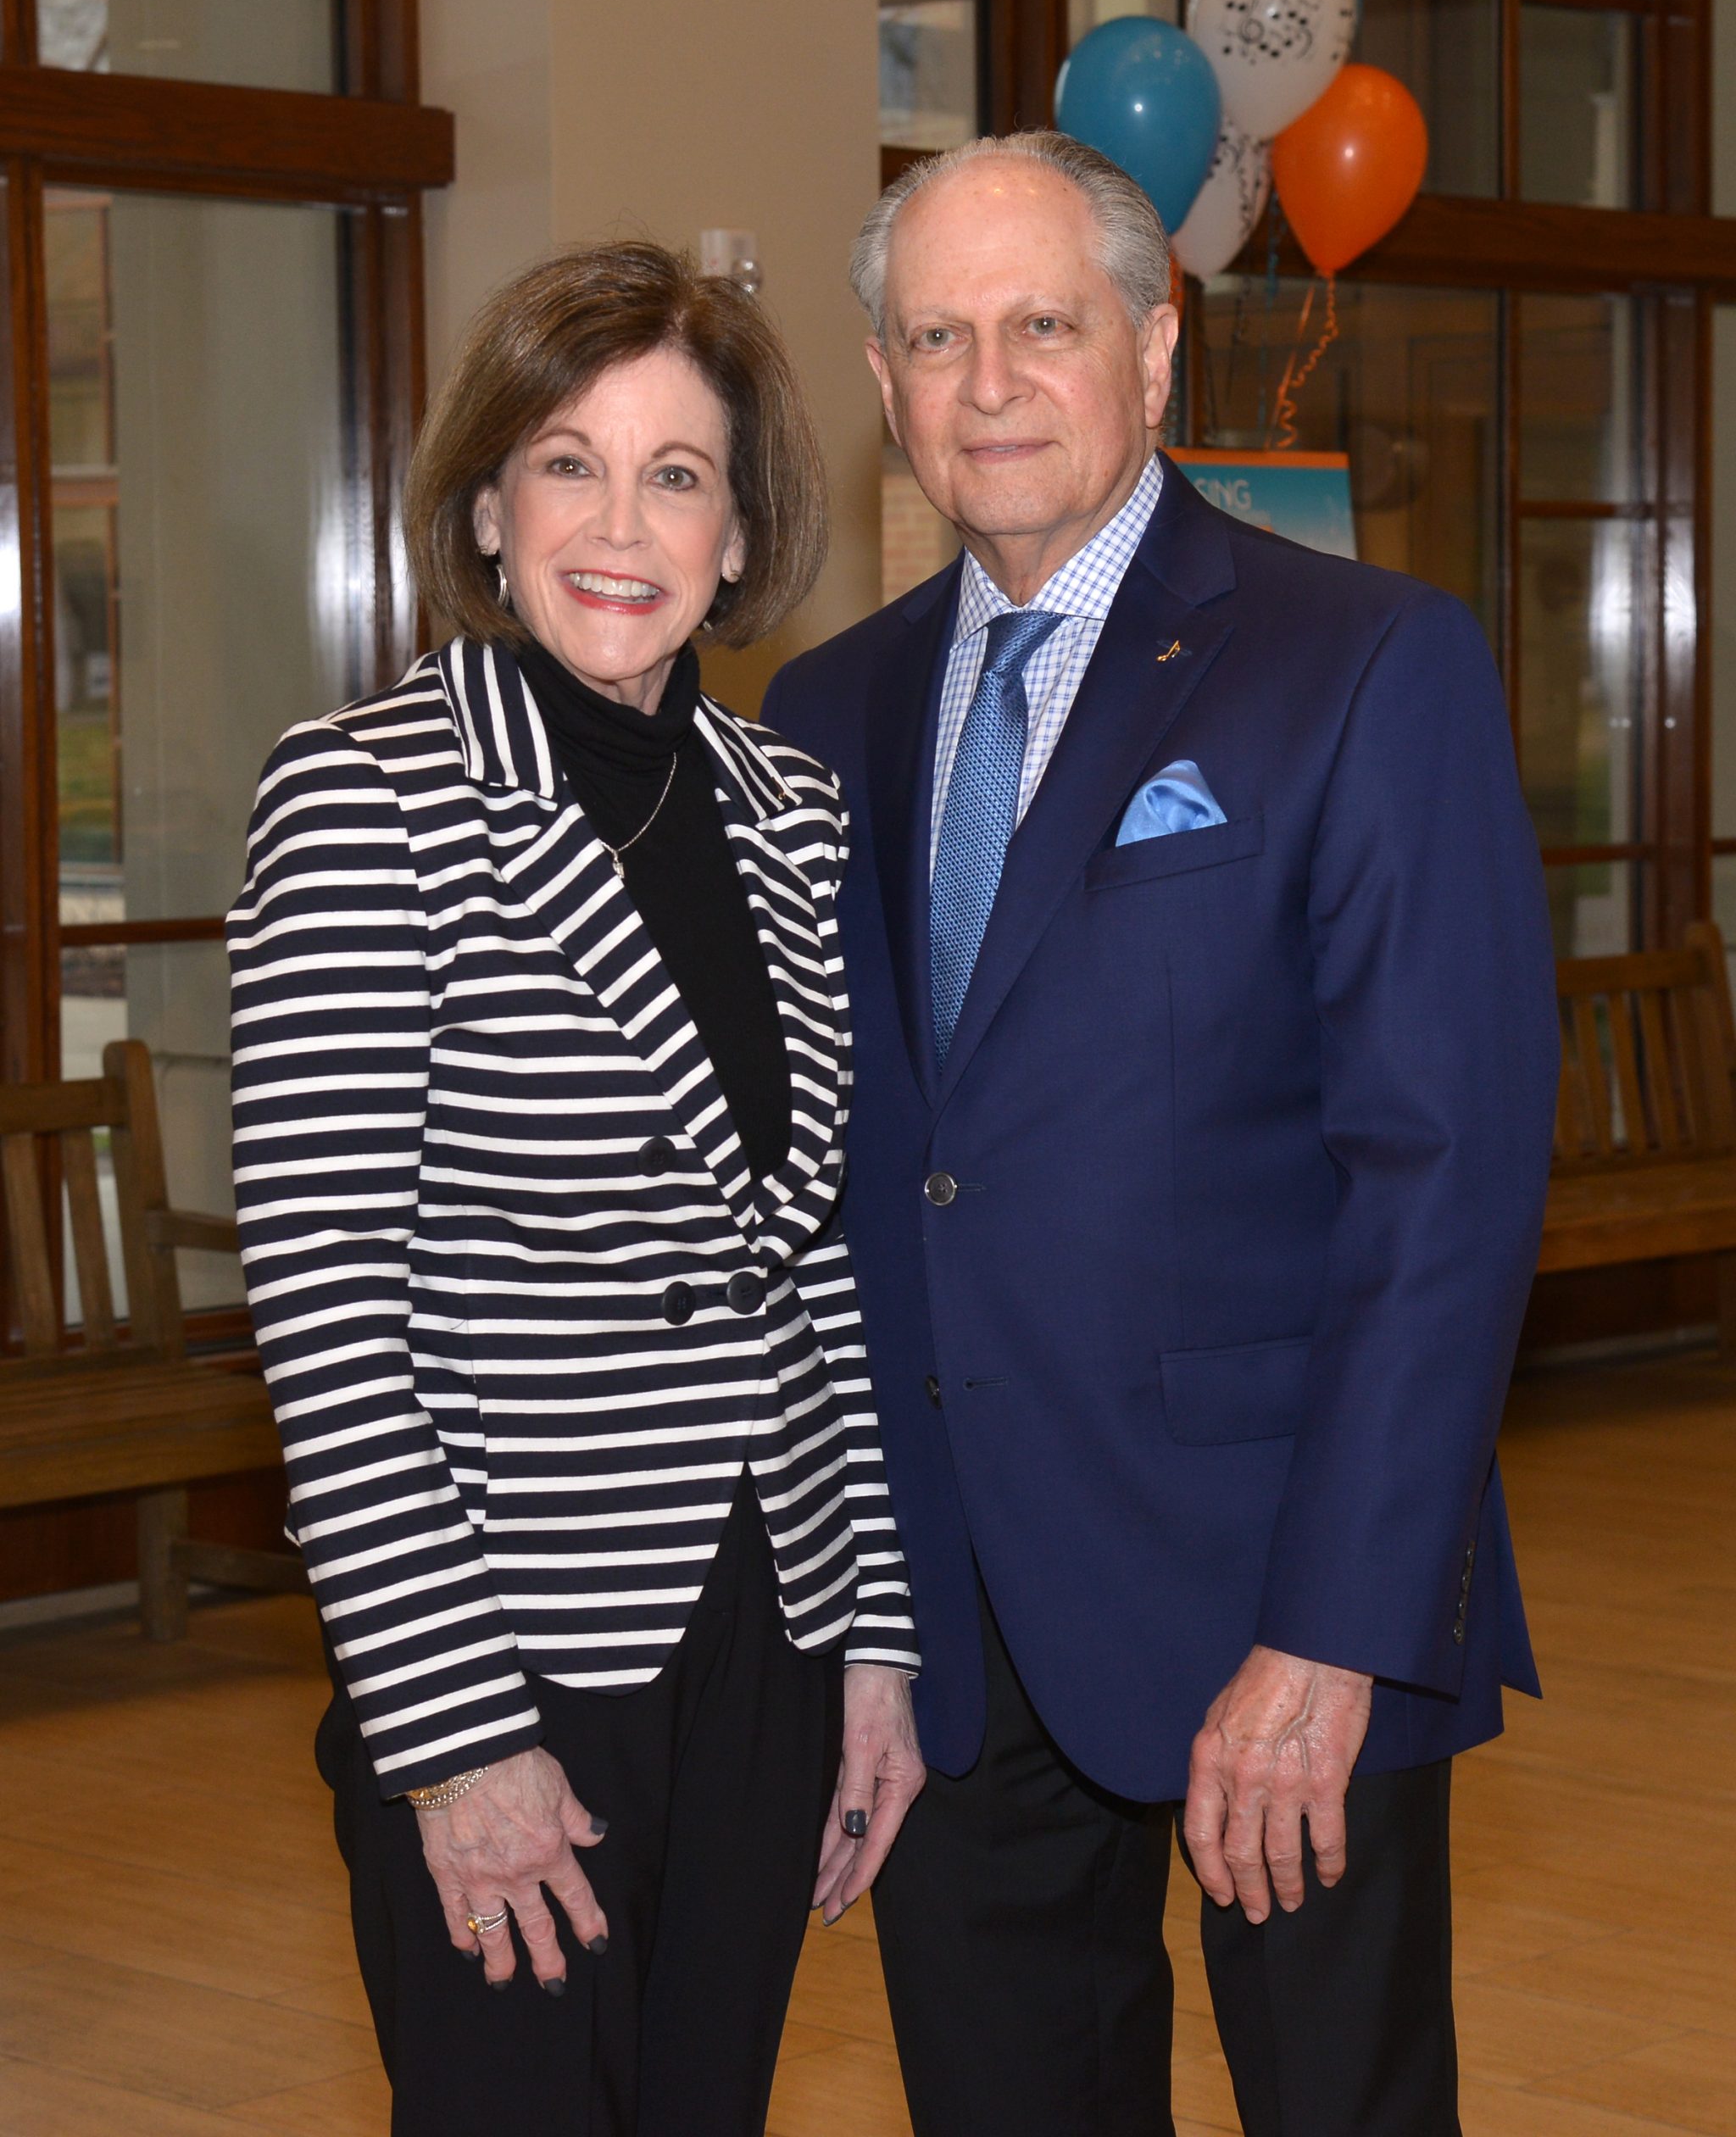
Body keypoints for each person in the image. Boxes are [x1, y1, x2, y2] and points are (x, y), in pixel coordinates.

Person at [761, 131, 1558, 2137]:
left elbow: (1443, 1181)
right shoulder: (822, 717)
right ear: (881, 381)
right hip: (949, 1615)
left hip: (1274, 1587)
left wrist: (1334, 1628)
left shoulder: (1361, 661)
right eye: (934, 337)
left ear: (1151, 343)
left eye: (1041, 325)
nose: (988, 383)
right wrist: (857, 1624)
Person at [228, 240, 924, 2137]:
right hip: (508, 1638)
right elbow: (323, 1303)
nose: (621, 526)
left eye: (675, 474)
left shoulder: (787, 814)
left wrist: (873, 1646)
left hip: (768, 1625)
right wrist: (454, 1735)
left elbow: (812, 1270)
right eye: (568, 462)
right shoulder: (365, 797)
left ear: (738, 531)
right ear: (487, 505)